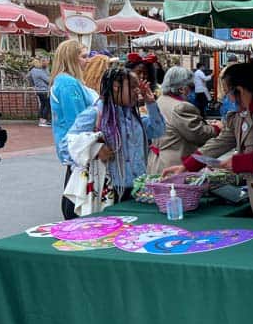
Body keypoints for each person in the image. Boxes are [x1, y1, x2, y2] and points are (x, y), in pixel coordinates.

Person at [163, 62, 253, 220]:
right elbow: (220, 142)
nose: (228, 98)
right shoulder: (241, 114)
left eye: (228, 93)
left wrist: (239, 163)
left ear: (239, 90)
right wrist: (187, 166)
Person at [65, 67, 165, 202]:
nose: (138, 91)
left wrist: (151, 103)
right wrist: (96, 148)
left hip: (137, 188)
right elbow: (66, 145)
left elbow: (158, 130)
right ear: (116, 87)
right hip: (108, 191)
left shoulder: (135, 116)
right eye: (133, 87)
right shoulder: (96, 114)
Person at [50, 39, 95, 219]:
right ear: (71, 59)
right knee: (75, 188)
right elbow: (77, 120)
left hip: (71, 144)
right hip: (76, 146)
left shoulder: (66, 81)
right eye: (83, 57)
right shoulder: (68, 83)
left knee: (75, 185)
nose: (87, 60)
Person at [147, 66, 219, 175]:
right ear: (182, 89)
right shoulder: (181, 107)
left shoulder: (160, 100)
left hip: (157, 161)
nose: (192, 90)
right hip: (174, 164)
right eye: (191, 86)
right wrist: (217, 128)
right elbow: (198, 134)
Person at [27, 57, 51, 126]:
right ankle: (43, 120)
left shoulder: (32, 71)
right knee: (47, 105)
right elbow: (48, 80)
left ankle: (41, 120)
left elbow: (28, 77)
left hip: (38, 90)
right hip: (44, 90)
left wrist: (33, 85)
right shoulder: (39, 71)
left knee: (43, 104)